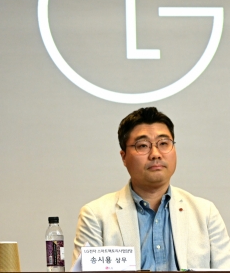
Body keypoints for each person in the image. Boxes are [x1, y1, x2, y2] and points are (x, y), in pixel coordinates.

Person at [73, 107, 230, 270]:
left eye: (163, 143)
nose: (155, 154)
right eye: (142, 146)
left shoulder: (205, 213)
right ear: (124, 157)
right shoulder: (95, 216)